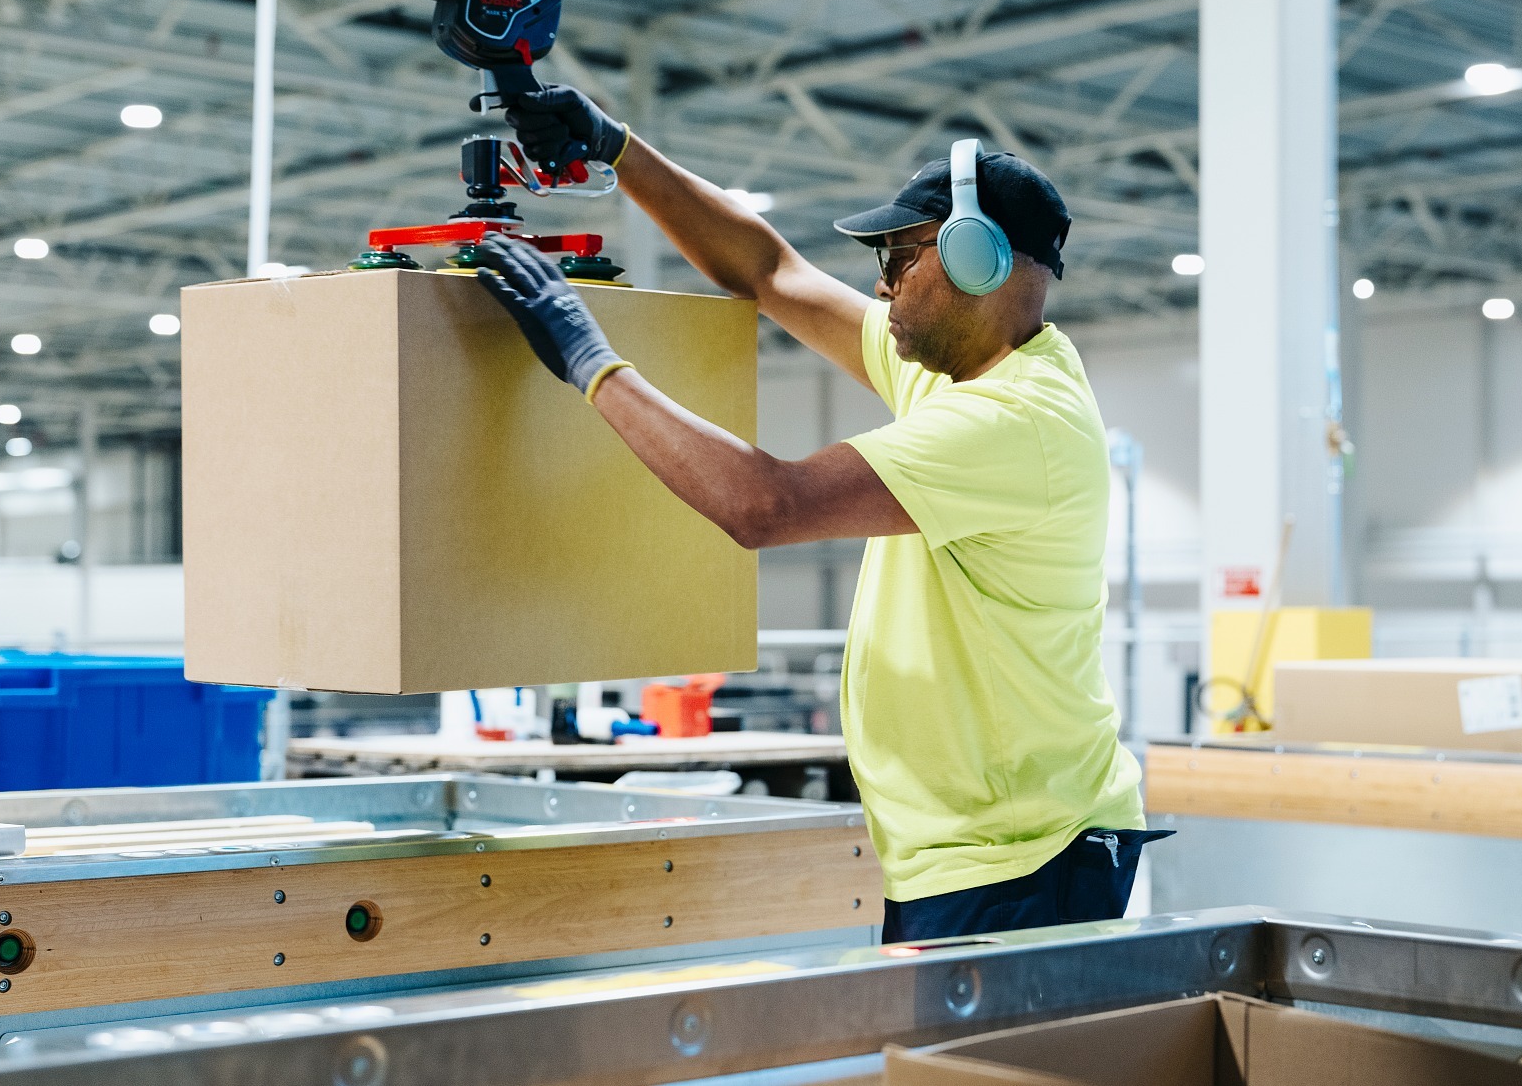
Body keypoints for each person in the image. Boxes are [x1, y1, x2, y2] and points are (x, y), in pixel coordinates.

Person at [472, 85, 1164, 943]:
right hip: (974, 845)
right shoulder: (956, 366)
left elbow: (763, 503)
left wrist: (586, 357)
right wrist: (618, 148)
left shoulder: (1013, 422)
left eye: (901, 257)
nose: (880, 284)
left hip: (1021, 855)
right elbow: (767, 270)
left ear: (976, 261)